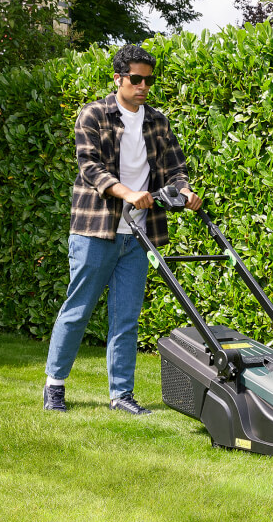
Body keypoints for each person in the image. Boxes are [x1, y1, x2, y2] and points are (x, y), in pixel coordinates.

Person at [44, 44, 202, 414]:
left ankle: (121, 395)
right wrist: (129, 192)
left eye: (148, 79)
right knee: (78, 309)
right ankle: (55, 386)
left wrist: (185, 192)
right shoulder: (93, 115)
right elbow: (91, 167)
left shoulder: (158, 122)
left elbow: (175, 169)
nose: (143, 86)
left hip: (139, 235)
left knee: (127, 316)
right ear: (118, 78)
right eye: (136, 79)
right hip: (95, 230)